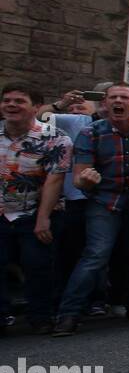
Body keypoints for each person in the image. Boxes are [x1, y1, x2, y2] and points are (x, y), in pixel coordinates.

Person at [53, 83, 129, 335]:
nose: (118, 101)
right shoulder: (90, 133)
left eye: (124, 97)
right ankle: (68, 314)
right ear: (105, 104)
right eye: (112, 98)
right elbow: (78, 178)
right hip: (105, 201)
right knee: (96, 254)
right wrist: (87, 179)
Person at [0, 84, 71, 335]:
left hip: (35, 213)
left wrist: (43, 219)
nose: (11, 105)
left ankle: (40, 316)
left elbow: (54, 180)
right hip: (1, 212)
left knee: (38, 266)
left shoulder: (56, 139)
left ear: (36, 107)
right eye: (7, 100)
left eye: (19, 101)